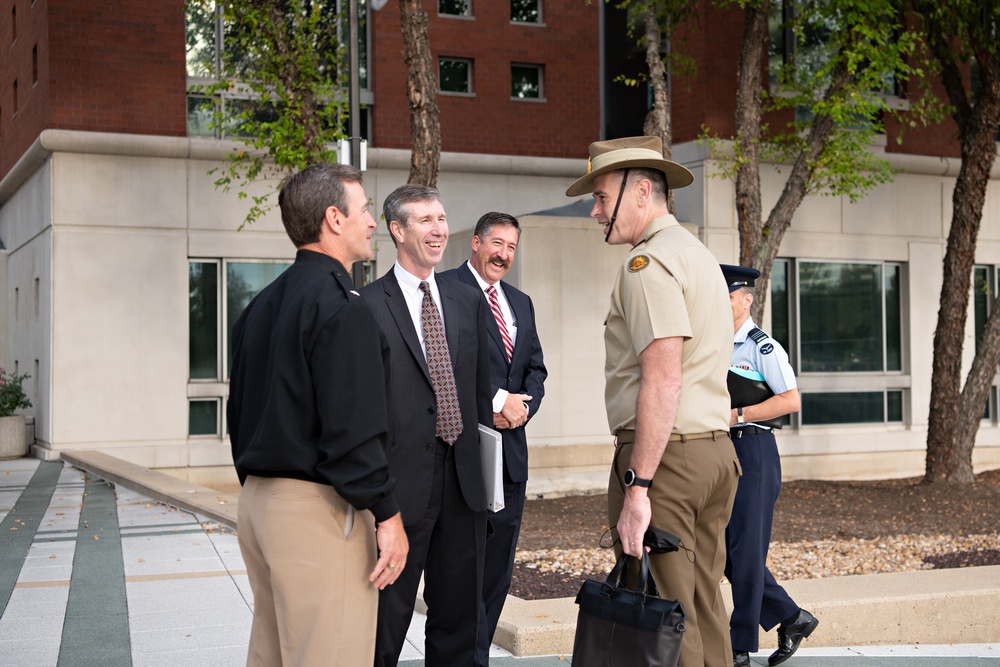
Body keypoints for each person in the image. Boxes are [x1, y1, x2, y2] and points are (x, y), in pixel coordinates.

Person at [566, 136, 742, 667]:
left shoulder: (649, 264)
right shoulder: (698, 255)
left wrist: (638, 485)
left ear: (641, 191)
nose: (595, 212)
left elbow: (662, 381)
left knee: (667, 612)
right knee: (706, 603)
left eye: (600, 197)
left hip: (667, 461)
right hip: (713, 452)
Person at [227, 164, 408, 667]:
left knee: (274, 654)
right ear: (334, 218)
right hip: (317, 512)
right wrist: (388, 514)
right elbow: (354, 432)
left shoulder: (257, 307)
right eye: (366, 209)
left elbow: (237, 414)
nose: (373, 221)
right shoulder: (342, 308)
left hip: (259, 505)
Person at [360, 184, 492, 667]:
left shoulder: (466, 301)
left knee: (458, 622)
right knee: (384, 623)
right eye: (425, 220)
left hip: (464, 485)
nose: (439, 229)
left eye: (442, 218)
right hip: (401, 488)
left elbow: (478, 392)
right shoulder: (368, 305)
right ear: (397, 230)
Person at [439, 212, 548, 666]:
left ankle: (477, 657)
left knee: (498, 573)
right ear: (476, 243)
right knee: (463, 571)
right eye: (496, 244)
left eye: (511, 247)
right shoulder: (442, 291)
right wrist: (497, 401)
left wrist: (522, 408)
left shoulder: (520, 302)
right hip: (463, 456)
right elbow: (444, 365)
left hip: (511, 457)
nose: (503, 254)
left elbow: (536, 370)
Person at [721, 264, 818, 667]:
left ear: (747, 299)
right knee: (724, 551)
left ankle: (739, 646)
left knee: (744, 553)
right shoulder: (712, 342)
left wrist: (737, 415)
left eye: (727, 297)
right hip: (721, 453)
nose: (720, 304)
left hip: (754, 452)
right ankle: (792, 617)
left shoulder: (763, 347)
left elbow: (791, 400)